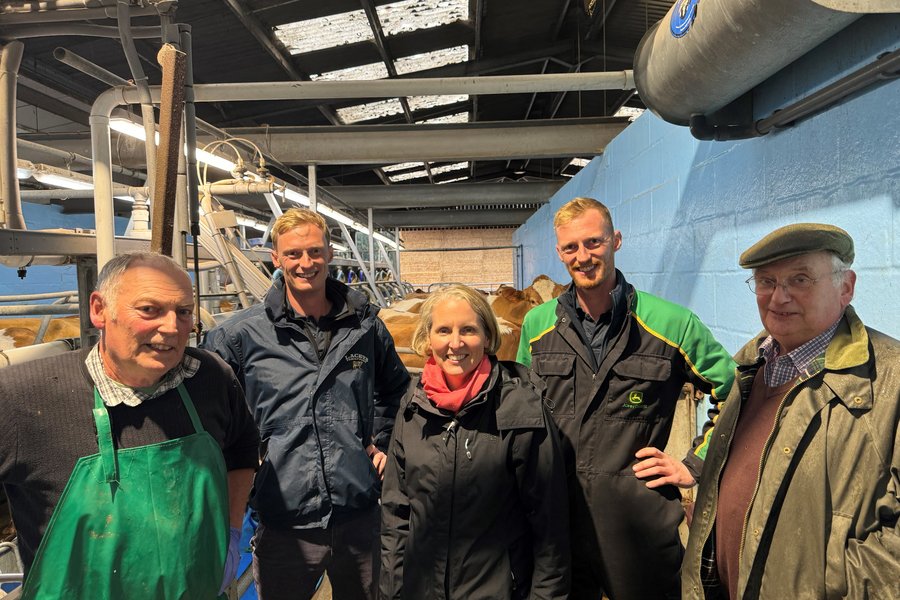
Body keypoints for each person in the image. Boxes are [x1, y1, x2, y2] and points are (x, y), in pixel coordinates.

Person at [0, 252, 259, 599]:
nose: (171, 327)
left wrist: (230, 531)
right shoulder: (22, 397)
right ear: (99, 310)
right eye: (149, 309)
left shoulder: (210, 378)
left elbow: (242, 449)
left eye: (183, 312)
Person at [516, 197, 736, 599]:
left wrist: (694, 463)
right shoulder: (536, 325)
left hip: (637, 525)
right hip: (556, 522)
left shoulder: (671, 323)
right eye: (571, 247)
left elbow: (733, 389)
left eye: (594, 242)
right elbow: (522, 412)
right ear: (560, 252)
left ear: (615, 240)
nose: (583, 257)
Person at [682, 223, 900, 599]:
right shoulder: (751, 366)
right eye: (766, 281)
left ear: (845, 287)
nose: (778, 298)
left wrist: (833, 587)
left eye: (799, 279)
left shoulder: (889, 382)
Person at [203, 208, 409, 600]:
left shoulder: (365, 327)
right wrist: (249, 466)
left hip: (358, 509)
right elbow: (213, 417)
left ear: (329, 254)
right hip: (283, 517)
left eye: (314, 251)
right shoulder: (239, 336)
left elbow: (395, 389)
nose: (306, 263)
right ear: (276, 258)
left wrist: (383, 442)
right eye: (293, 254)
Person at [380, 284, 571, 600]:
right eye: (443, 330)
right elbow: (395, 517)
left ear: (487, 336)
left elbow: (550, 528)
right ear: (428, 339)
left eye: (468, 330)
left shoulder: (520, 410)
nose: (455, 343)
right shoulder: (412, 409)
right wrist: (393, 592)